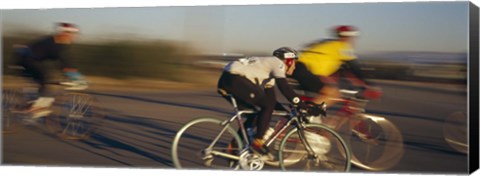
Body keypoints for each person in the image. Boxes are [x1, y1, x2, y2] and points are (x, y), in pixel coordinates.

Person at [217, 47, 309, 155]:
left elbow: (272, 101)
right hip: (234, 79)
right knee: (266, 106)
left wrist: (288, 115)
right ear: (288, 61)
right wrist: (303, 106)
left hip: (226, 81)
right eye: (294, 62)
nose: (294, 67)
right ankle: (257, 143)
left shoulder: (269, 73)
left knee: (255, 115)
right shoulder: (277, 63)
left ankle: (233, 146)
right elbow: (285, 88)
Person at [14, 22, 86, 119]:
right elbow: (64, 62)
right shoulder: (54, 43)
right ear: (64, 33)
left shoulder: (57, 42)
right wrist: (76, 77)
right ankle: (37, 107)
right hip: (26, 61)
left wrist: (74, 75)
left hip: (30, 60)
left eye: (74, 35)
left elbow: (65, 61)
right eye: (71, 34)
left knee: (50, 78)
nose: (73, 37)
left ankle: (34, 104)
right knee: (48, 80)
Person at [291, 25, 373, 107]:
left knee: (318, 96)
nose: (353, 40)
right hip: (305, 70)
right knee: (333, 94)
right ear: (347, 37)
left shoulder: (328, 43)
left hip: (297, 68)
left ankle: (306, 115)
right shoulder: (342, 47)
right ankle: (308, 113)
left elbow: (342, 70)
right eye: (352, 38)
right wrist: (368, 85)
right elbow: (354, 67)